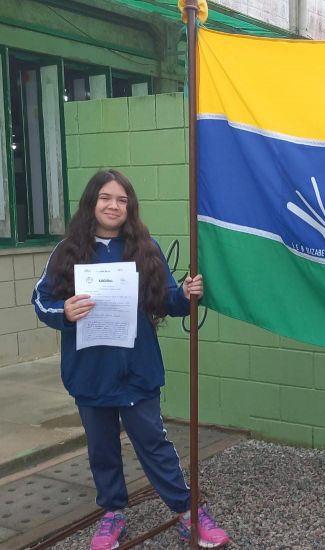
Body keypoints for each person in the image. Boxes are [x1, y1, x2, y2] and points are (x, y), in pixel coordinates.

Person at [32, 169, 229, 550]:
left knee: (154, 444)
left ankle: (188, 512)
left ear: (130, 207)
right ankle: (112, 514)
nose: (114, 206)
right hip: (89, 374)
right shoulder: (68, 251)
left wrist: (186, 293)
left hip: (138, 371)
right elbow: (42, 301)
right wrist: (65, 311)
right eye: (106, 198)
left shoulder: (145, 248)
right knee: (102, 450)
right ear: (92, 202)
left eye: (122, 200)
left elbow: (167, 301)